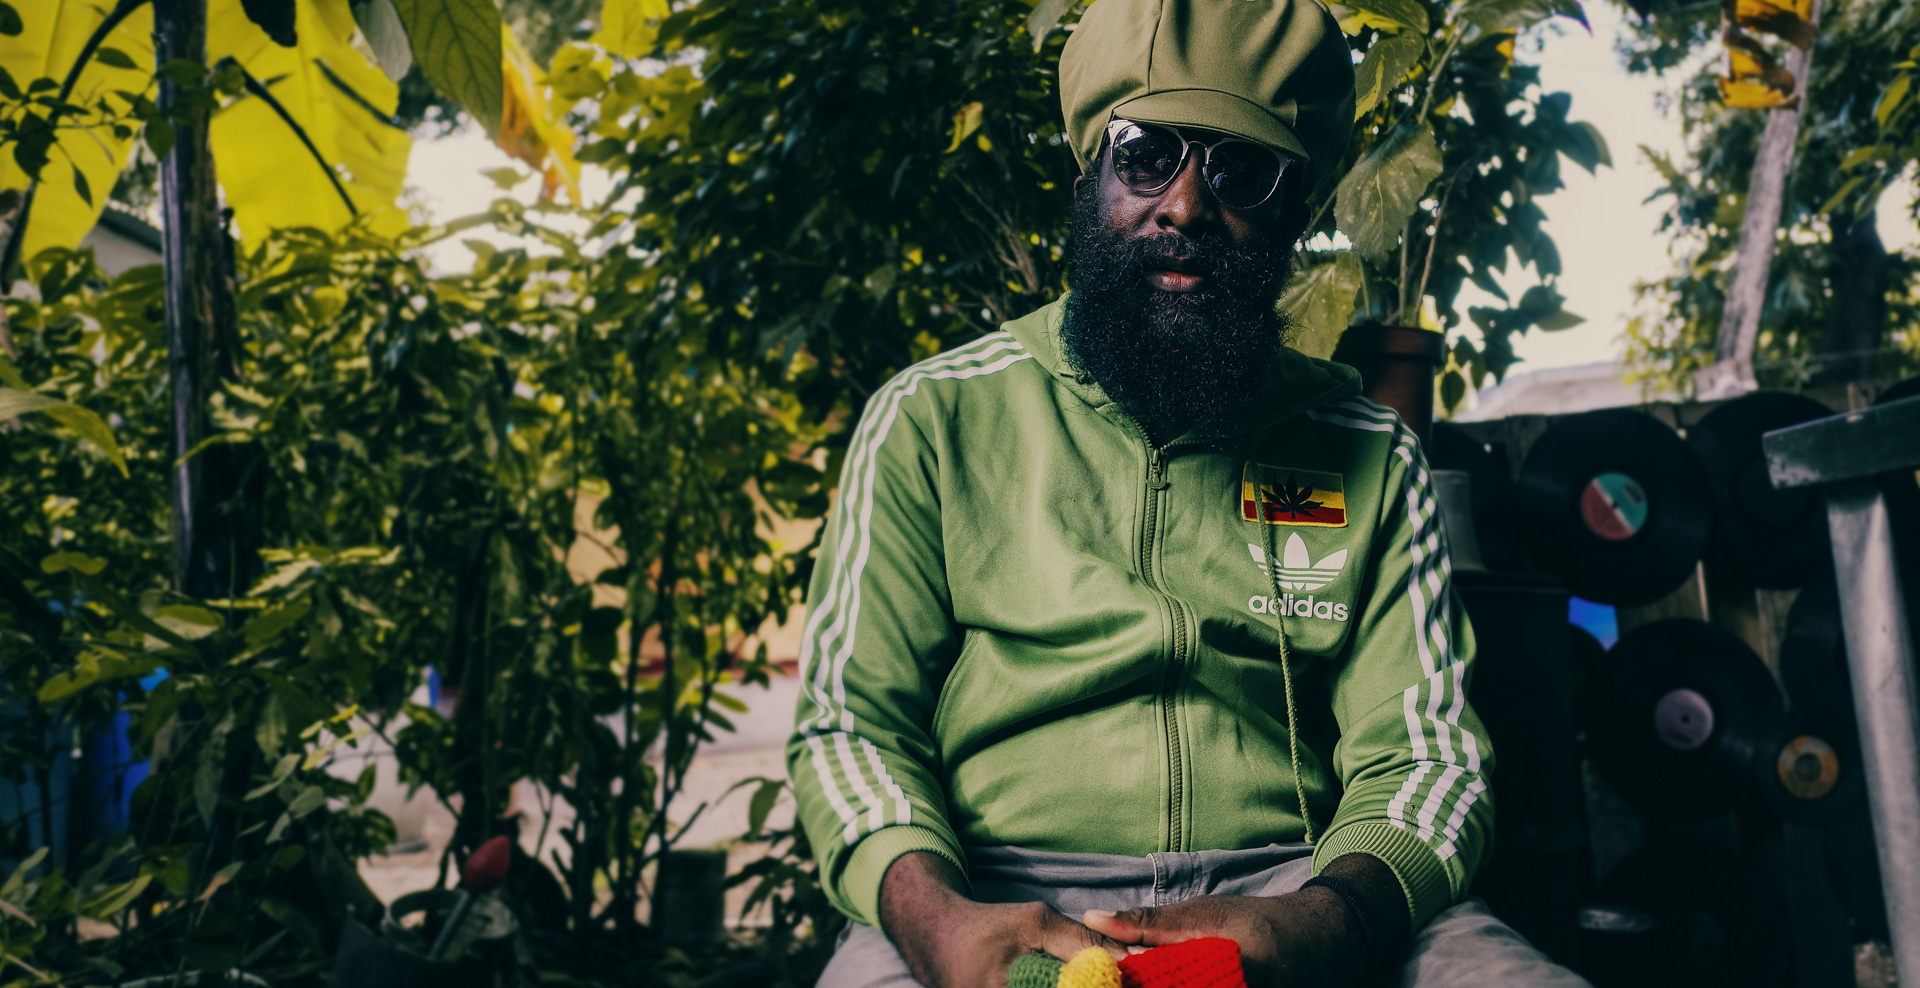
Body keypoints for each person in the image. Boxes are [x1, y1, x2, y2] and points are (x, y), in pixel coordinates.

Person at [787, 0, 1589, 984]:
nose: (1185, 205)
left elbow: (1426, 758)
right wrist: (932, 917)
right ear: (1090, 177)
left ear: (1293, 212)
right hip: (990, 899)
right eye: (1145, 154)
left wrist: (1334, 918)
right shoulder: (931, 422)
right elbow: (850, 724)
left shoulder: (1370, 454)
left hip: (1296, 891)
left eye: (1240, 170)